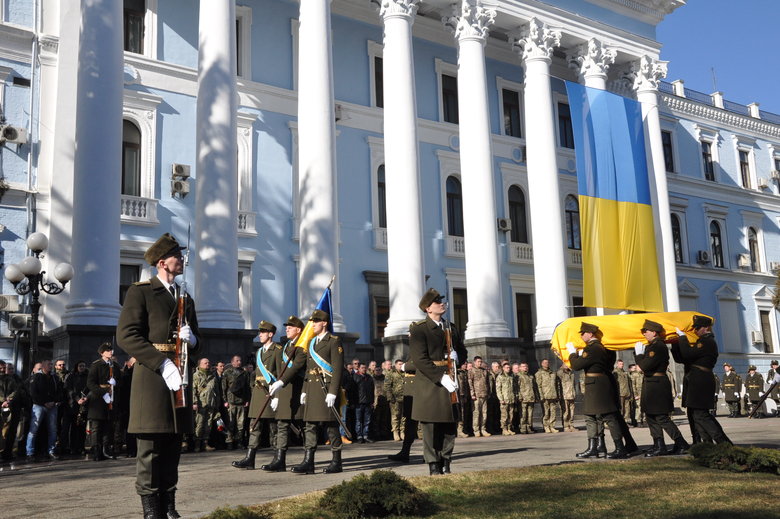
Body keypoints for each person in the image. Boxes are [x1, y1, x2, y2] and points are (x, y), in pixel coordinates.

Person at [117, 232, 200, 519]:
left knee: (173, 444)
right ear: (162, 262)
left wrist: (193, 341)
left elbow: (198, 338)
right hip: (153, 378)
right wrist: (162, 364)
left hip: (180, 377)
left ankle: (169, 504)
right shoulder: (140, 292)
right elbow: (127, 336)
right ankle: (152, 509)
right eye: (177, 256)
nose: (182, 260)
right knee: (151, 448)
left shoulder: (184, 297)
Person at [408, 288, 467, 475]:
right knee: (431, 426)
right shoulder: (419, 329)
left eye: (441, 301)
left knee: (450, 424)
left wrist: (459, 358)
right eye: (437, 302)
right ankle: (433, 463)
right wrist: (440, 376)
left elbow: (462, 352)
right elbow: (420, 359)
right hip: (430, 384)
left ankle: (446, 460)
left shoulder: (451, 327)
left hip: (451, 380)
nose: (442, 304)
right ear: (428, 308)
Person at [290, 309, 345, 475]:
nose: (312, 325)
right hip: (313, 390)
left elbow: (337, 369)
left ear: (324, 323)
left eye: (316, 322)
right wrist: (305, 390)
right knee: (310, 426)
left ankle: (336, 461)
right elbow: (309, 370)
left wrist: (333, 392)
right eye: (312, 322)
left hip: (326, 389)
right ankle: (309, 461)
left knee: (331, 426)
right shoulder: (312, 343)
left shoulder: (334, 341)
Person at [566, 322, 628, 459]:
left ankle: (619, 448)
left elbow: (576, 365)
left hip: (597, 385)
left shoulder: (593, 348)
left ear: (591, 334)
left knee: (607, 417)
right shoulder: (600, 348)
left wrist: (572, 354)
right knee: (591, 416)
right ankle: (595, 447)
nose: (581, 336)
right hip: (596, 384)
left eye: (583, 333)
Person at [670, 315, 731, 445]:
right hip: (695, 380)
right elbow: (682, 359)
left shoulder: (707, 342)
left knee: (701, 414)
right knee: (693, 413)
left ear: (707, 328)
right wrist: (675, 344)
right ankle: (703, 444)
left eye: (698, 328)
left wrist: (682, 337)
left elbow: (688, 354)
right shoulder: (700, 341)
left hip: (701, 381)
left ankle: (723, 443)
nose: (695, 331)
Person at [634, 319, 689, 457]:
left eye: (645, 331)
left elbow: (643, 367)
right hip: (651, 383)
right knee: (651, 416)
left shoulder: (657, 346)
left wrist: (639, 355)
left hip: (657, 384)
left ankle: (681, 443)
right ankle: (659, 445)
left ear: (654, 332)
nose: (644, 334)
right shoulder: (651, 345)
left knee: (661, 417)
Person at [260, 315, 306, 472]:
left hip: (299, 390)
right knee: (282, 426)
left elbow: (297, 367)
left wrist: (281, 383)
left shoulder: (303, 346)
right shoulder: (285, 347)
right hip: (285, 391)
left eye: (290, 327)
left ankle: (308, 459)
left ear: (299, 330)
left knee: (305, 426)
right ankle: (279, 460)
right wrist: (277, 395)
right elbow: (280, 372)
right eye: (286, 326)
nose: (287, 329)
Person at [233, 321, 281, 470]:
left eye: (263, 332)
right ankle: (250, 458)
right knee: (254, 426)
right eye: (259, 332)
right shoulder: (259, 352)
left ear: (270, 334)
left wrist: (278, 396)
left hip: (271, 393)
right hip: (259, 393)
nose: (259, 334)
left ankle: (278, 459)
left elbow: (280, 374)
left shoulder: (278, 350)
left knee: (274, 428)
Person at [86, 342, 122, 461]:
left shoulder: (115, 366)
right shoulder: (96, 366)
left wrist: (115, 383)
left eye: (111, 350)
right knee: (96, 427)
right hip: (98, 400)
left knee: (108, 426)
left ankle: (106, 449)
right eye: (108, 350)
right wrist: (103, 393)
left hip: (111, 399)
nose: (111, 352)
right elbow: (90, 383)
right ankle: (96, 450)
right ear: (102, 353)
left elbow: (121, 381)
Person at [25, 359, 63, 462]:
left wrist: (54, 401)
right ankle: (30, 452)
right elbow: (33, 393)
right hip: (39, 406)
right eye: (48, 364)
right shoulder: (36, 377)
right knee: (34, 429)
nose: (50, 366)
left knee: (53, 429)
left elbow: (59, 391)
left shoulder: (55, 377)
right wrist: (44, 402)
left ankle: (51, 451)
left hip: (52, 406)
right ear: (43, 366)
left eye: (51, 364)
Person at [222, 355, 251, 449]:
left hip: (241, 402)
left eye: (240, 360)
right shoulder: (227, 372)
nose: (239, 362)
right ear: (232, 362)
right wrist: (225, 400)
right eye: (237, 360)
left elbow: (247, 387)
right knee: (230, 423)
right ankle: (229, 442)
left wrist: (247, 400)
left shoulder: (244, 373)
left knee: (241, 424)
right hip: (231, 401)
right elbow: (223, 388)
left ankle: (239, 441)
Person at [192, 357, 219, 452]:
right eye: (205, 363)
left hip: (210, 404)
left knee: (208, 425)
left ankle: (205, 443)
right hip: (200, 404)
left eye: (208, 363)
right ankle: (197, 444)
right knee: (199, 425)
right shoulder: (196, 376)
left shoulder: (212, 377)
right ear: (200, 365)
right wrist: (194, 402)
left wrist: (217, 404)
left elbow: (216, 392)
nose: (208, 364)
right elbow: (193, 390)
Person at [0, 361, 21, 461]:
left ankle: (6, 453)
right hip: (3, 405)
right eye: (1, 368)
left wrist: (9, 399)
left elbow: (16, 390)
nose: (3, 370)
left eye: (4, 368)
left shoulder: (11, 379)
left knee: (8, 432)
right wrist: (2, 400)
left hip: (9, 408)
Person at [535, 358, 559, 433]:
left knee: (553, 412)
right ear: (542, 364)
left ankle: (552, 426)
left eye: (547, 362)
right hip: (545, 395)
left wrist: (557, 395)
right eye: (545, 362)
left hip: (553, 395)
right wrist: (541, 396)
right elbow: (538, 385)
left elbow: (556, 385)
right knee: (546, 412)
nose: (546, 364)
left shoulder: (553, 373)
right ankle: (546, 426)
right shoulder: (539, 373)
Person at [468, 356, 490, 437]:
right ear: (474, 362)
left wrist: (488, 392)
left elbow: (487, 383)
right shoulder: (471, 371)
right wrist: (472, 394)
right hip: (476, 395)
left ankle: (483, 429)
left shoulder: (484, 371)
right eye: (478, 361)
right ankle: (476, 430)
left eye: (481, 361)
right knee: (476, 413)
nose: (480, 363)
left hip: (484, 394)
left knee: (484, 413)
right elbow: (470, 383)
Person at [353, 363, 374, 443]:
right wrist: (353, 402)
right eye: (362, 368)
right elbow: (353, 391)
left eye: (365, 368)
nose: (364, 369)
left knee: (367, 421)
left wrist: (372, 401)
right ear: (358, 368)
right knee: (358, 421)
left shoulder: (369, 378)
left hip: (368, 402)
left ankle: (366, 435)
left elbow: (372, 390)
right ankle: (359, 436)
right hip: (358, 402)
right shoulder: (355, 377)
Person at [385, 359, 405, 441]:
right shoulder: (390, 373)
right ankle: (395, 432)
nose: (401, 365)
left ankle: (402, 431)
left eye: (402, 364)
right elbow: (387, 386)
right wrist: (390, 397)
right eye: (399, 364)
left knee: (404, 416)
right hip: (395, 398)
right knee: (395, 416)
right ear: (395, 365)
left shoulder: (405, 373)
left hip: (404, 397)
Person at [495, 362, 515, 435]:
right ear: (503, 368)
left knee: (511, 415)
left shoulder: (510, 377)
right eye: (507, 368)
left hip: (511, 398)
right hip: (504, 399)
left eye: (509, 368)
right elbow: (498, 389)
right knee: (504, 416)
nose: (508, 369)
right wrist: (501, 399)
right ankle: (504, 429)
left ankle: (509, 428)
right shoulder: (500, 377)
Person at [516, 362, 536, 434]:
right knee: (523, 414)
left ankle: (529, 427)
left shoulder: (530, 376)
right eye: (523, 366)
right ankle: (523, 428)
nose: (525, 368)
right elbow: (517, 387)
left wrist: (535, 396)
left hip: (530, 397)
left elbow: (534, 387)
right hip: (523, 398)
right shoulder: (518, 376)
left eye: (526, 366)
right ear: (520, 368)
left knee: (530, 414)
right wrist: (520, 396)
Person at [557, 364, 576, 432]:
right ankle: (566, 426)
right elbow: (559, 374)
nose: (567, 366)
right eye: (566, 364)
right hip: (564, 395)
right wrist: (562, 368)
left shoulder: (571, 374)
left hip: (571, 394)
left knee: (572, 412)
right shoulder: (561, 373)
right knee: (566, 412)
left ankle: (571, 425)